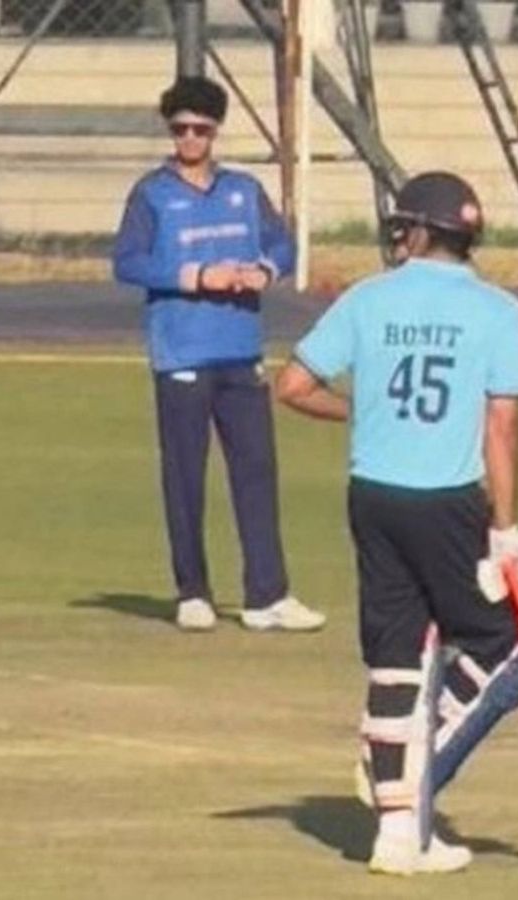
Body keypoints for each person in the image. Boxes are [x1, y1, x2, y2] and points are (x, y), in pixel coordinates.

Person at [274, 172, 518, 875]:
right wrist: (507, 528)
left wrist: (362, 414)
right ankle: (408, 756)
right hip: (447, 500)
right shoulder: (498, 310)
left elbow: (292, 386)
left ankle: (397, 833)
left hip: (374, 495)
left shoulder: (368, 299)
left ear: (423, 232)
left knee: (395, 655)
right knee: (513, 643)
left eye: (404, 227)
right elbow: (503, 422)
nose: (398, 237)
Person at [112, 75, 324, 634]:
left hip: (239, 349)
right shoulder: (152, 193)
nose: (189, 139)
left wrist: (263, 270)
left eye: (199, 130)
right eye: (180, 129)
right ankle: (193, 590)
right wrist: (195, 275)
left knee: (256, 470)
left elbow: (281, 243)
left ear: (214, 132)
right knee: (185, 474)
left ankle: (266, 595)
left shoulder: (243, 190)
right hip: (181, 350)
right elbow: (128, 261)